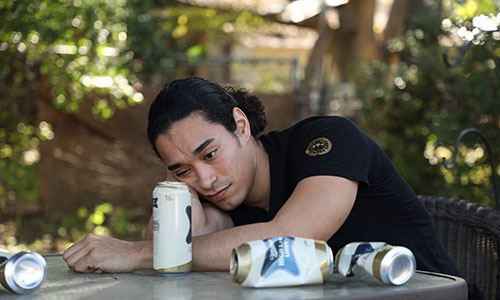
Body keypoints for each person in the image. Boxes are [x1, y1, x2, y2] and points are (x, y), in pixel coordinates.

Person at [63, 77, 481, 298]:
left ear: (240, 126)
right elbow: (193, 260)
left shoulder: (328, 140)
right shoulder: (220, 198)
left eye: (209, 154)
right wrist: (181, 195)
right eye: (182, 169)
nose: (206, 180)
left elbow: (289, 236)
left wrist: (138, 252)